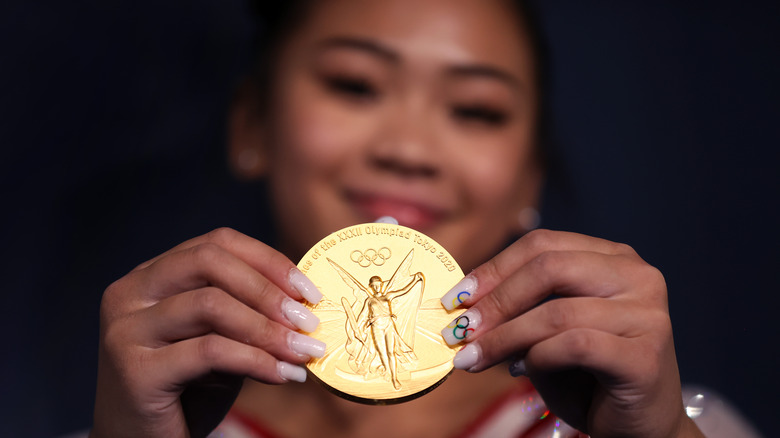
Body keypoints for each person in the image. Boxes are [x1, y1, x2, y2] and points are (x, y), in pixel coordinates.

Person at [88, 0, 721, 436]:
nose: (410, 150)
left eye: (476, 110)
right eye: (355, 85)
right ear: (252, 122)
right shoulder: (135, 424)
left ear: (530, 176)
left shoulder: (669, 424)